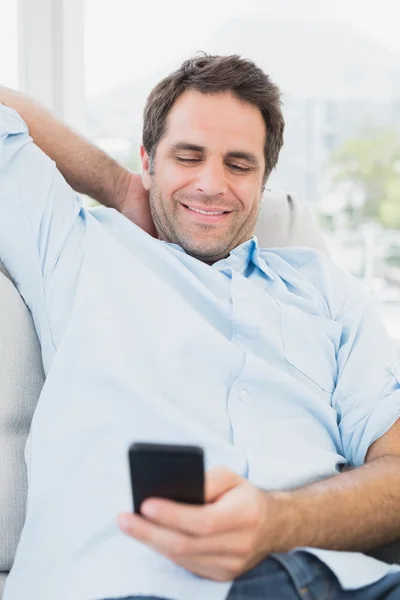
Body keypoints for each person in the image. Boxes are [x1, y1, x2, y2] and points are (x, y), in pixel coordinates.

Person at [1, 53, 400, 600]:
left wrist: (278, 520)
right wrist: (116, 186)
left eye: (239, 165)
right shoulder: (75, 249)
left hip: (337, 582)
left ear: (264, 178)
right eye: (187, 157)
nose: (211, 185)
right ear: (148, 161)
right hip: (130, 586)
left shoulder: (323, 290)